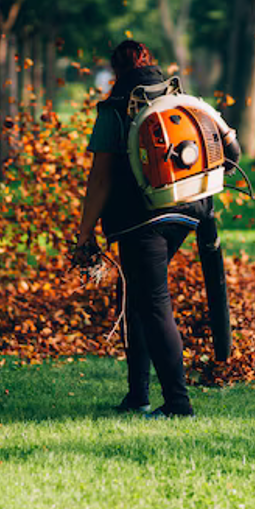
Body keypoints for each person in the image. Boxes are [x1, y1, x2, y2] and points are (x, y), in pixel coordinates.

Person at [75, 40, 213, 418]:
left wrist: (85, 233)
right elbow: (227, 150)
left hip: (142, 220)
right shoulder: (180, 98)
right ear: (150, 62)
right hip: (187, 212)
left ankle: (178, 404)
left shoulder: (116, 108)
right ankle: (137, 396)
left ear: (116, 71)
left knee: (152, 303)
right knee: (135, 294)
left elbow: (100, 179)